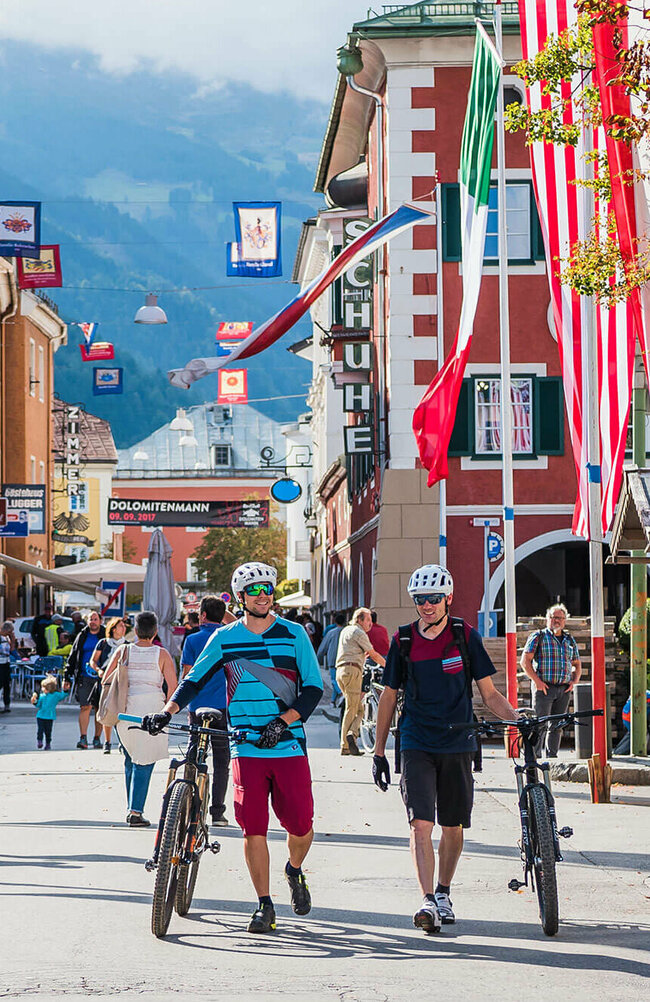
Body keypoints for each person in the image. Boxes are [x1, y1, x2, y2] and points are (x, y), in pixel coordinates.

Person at [143, 561, 323, 935]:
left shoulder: (293, 634)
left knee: (301, 825)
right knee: (253, 828)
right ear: (240, 597)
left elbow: (313, 689)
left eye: (268, 589)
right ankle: (264, 905)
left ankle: (293, 870)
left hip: (288, 745)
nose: (263, 596)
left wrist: (283, 721)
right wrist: (167, 711)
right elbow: (193, 680)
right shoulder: (225, 638)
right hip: (246, 746)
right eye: (255, 590)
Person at [372, 564, 519, 934]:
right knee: (421, 823)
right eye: (421, 599)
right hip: (417, 740)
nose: (427, 606)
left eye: (434, 598)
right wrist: (378, 751)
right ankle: (425, 900)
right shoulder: (403, 640)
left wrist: (517, 719)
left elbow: (489, 694)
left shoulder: (464, 636)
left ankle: (443, 892)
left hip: (458, 741)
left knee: (452, 825)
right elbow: (389, 697)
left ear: (448, 598)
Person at [109, 611, 177, 827]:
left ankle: (132, 808)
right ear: (155, 631)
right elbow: (173, 687)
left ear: (135, 631)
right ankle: (135, 811)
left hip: (125, 708)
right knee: (145, 760)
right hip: (152, 708)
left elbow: (106, 678)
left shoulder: (123, 650)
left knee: (130, 757)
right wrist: (167, 711)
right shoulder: (162, 654)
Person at [181, 595, 230, 828]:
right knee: (222, 759)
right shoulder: (229, 637)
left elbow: (188, 675)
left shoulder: (191, 640)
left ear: (201, 615)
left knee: (194, 751)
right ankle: (218, 812)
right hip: (222, 706)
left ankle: (187, 803)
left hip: (196, 705)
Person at [520, 603, 581, 758]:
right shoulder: (539, 636)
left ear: (565, 620)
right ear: (547, 619)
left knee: (557, 726)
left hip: (563, 689)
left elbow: (577, 663)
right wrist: (537, 682)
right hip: (544, 688)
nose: (557, 621)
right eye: (554, 617)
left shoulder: (569, 640)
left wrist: (574, 681)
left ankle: (552, 758)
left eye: (560, 618)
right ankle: (534, 759)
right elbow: (525, 661)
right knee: (539, 724)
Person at [335, 607, 386, 757]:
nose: (370, 624)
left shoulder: (346, 630)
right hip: (352, 671)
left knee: (359, 709)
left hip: (342, 671)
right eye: (368, 620)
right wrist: (388, 666)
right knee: (352, 709)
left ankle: (352, 734)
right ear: (359, 620)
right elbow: (374, 654)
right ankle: (345, 745)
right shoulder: (359, 632)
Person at [64, 611, 106, 749]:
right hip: (84, 676)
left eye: (95, 619)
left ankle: (97, 738)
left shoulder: (105, 635)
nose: (92, 622)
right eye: (90, 619)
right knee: (85, 706)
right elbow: (73, 655)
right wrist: (67, 676)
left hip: (102, 677)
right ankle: (83, 738)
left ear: (100, 621)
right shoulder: (82, 635)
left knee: (99, 708)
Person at [89, 617, 127, 754]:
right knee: (106, 709)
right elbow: (93, 661)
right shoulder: (103, 643)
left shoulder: (127, 645)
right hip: (106, 680)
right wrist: (99, 670)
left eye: (124, 626)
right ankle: (107, 741)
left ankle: (122, 741)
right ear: (113, 629)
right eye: (121, 626)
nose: (124, 628)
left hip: (122, 681)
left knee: (122, 710)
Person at [30, 674, 70, 749]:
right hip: (41, 716)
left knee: (48, 731)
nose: (42, 689)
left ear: (48, 688)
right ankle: (40, 741)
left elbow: (63, 695)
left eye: (43, 687)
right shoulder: (42, 696)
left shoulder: (55, 695)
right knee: (40, 730)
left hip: (49, 716)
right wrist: (34, 701)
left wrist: (65, 690)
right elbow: (38, 705)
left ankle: (48, 743)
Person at [316, 613, 345, 708]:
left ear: (335, 621)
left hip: (333, 660)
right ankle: (333, 701)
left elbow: (323, 647)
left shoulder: (331, 632)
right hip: (344, 659)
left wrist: (317, 660)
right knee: (339, 681)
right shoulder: (347, 632)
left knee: (334, 680)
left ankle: (341, 694)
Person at [0, 621, 16, 713]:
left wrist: (12, 641)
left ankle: (7, 704)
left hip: (6, 662)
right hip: (0, 663)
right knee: (1, 682)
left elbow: (11, 650)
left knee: (7, 684)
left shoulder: (7, 638)